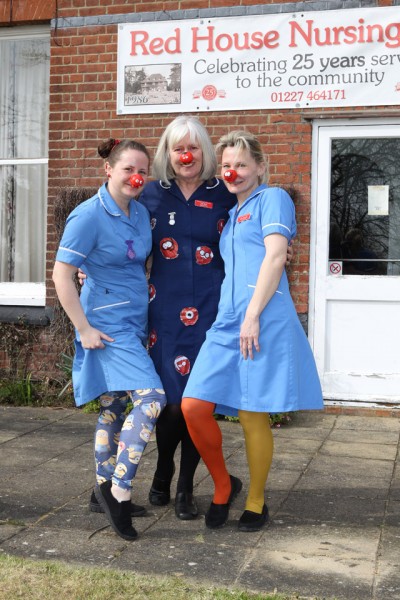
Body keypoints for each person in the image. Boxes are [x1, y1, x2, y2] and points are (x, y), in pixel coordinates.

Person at [181, 130, 323, 532]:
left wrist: (253, 315)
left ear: (260, 166)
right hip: (227, 322)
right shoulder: (233, 211)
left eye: (242, 164)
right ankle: (224, 485)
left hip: (260, 321)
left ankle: (257, 501)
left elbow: (276, 255)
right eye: (227, 165)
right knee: (194, 406)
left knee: (251, 415)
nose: (233, 172)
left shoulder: (272, 198)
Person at [52, 138, 166, 541]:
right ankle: (117, 491)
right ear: (109, 170)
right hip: (105, 323)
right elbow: (61, 275)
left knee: (115, 403)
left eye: (142, 171)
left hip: (134, 320)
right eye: (128, 170)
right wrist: (83, 329)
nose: (137, 177)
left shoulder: (139, 212)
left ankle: (99, 490)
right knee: (151, 398)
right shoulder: (88, 216)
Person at [138, 116, 237, 520]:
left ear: (205, 152)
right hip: (163, 311)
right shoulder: (149, 194)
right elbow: (117, 234)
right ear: (167, 153)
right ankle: (163, 469)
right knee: (170, 403)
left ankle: (183, 488)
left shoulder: (226, 194)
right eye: (178, 148)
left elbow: (252, 239)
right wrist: (87, 266)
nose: (186, 155)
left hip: (213, 312)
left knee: (198, 404)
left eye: (194, 147)